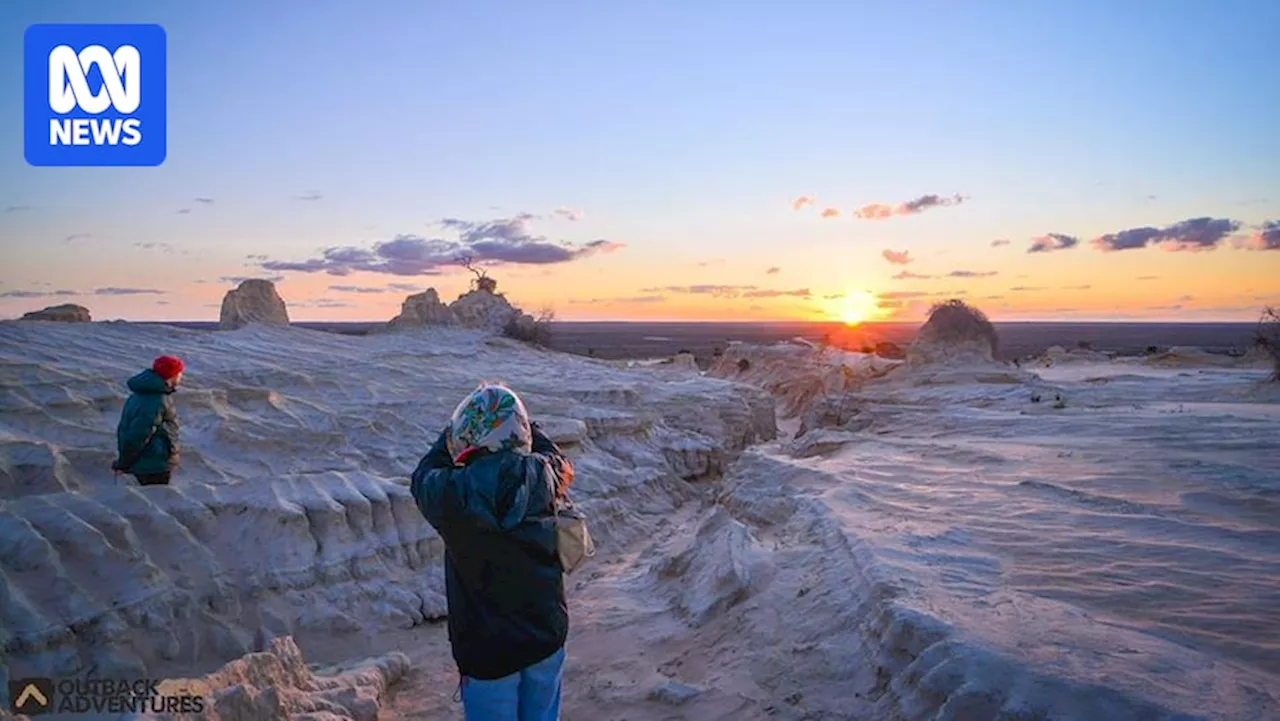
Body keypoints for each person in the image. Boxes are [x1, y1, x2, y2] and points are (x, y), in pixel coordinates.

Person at [410, 383, 575, 721]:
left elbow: (422, 475)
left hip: (487, 651)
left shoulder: (451, 493)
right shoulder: (545, 475)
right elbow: (554, 455)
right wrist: (521, 422)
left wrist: (452, 434)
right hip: (546, 636)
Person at [112, 355, 184, 486]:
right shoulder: (156, 400)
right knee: (158, 499)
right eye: (179, 373)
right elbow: (138, 435)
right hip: (154, 464)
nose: (181, 377)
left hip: (150, 462)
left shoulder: (143, 395)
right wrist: (124, 463)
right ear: (171, 376)